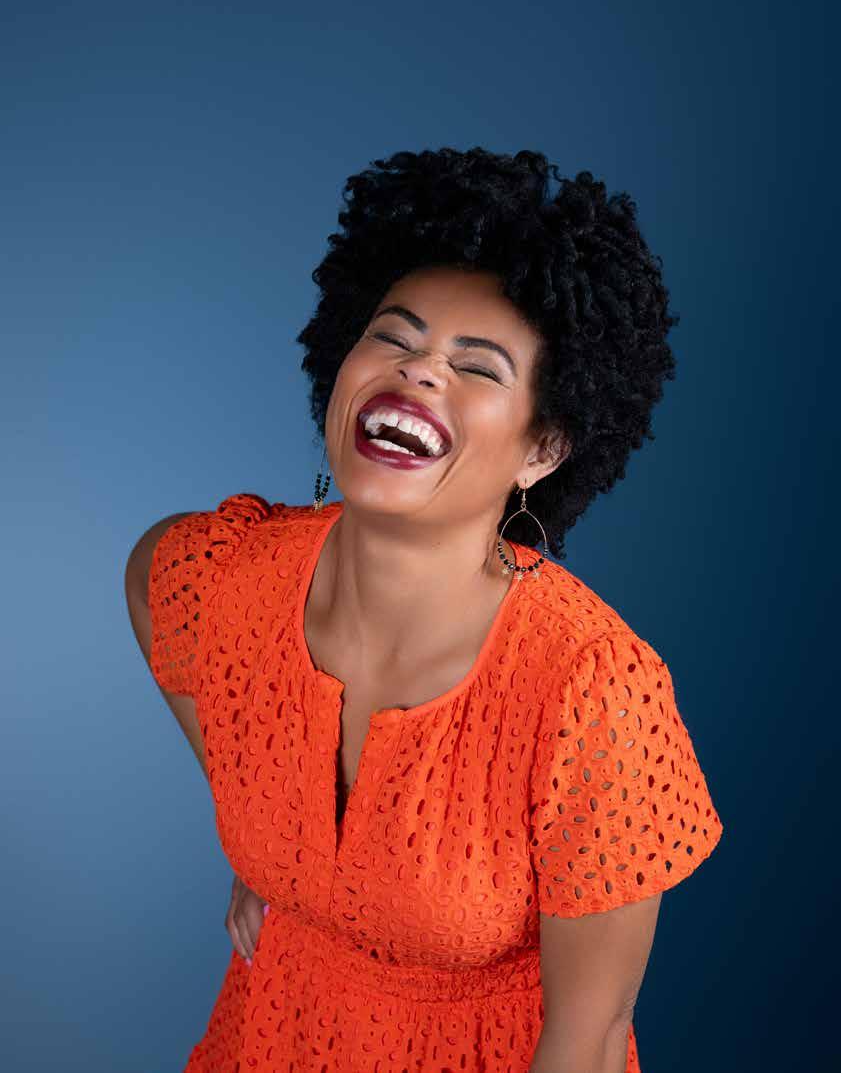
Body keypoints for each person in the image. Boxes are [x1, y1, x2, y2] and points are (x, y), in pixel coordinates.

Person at [125, 147, 724, 1073]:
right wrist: (261, 822)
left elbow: (591, 1036)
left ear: (542, 449)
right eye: (394, 338)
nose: (421, 372)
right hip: (269, 1036)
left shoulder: (594, 689)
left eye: (477, 366)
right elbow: (149, 578)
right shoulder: (228, 573)